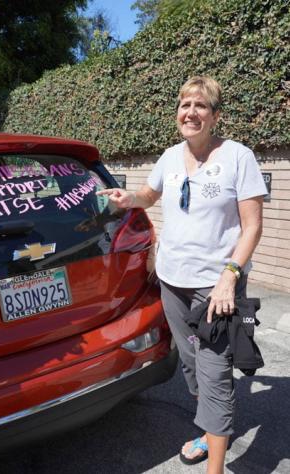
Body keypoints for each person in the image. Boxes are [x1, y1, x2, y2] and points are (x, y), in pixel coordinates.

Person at [98, 76, 267, 474]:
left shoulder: (238, 157)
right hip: (173, 283)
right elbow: (150, 196)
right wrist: (129, 199)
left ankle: (215, 468)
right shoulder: (170, 157)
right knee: (191, 364)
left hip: (216, 287)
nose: (190, 112)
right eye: (184, 104)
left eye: (200, 106)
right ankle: (209, 433)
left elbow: (253, 226)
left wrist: (229, 276)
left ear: (215, 116)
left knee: (214, 373)